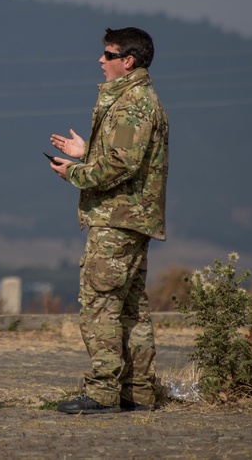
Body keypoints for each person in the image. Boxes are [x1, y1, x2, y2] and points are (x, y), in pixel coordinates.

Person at [48, 26, 169, 414]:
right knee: (131, 309)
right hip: (130, 218)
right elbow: (122, 155)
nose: (101, 61)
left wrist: (75, 173)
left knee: (99, 303)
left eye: (109, 54)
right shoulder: (135, 99)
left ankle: (102, 392)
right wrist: (88, 151)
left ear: (128, 61)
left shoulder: (133, 102)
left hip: (118, 220)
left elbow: (121, 164)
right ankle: (138, 391)